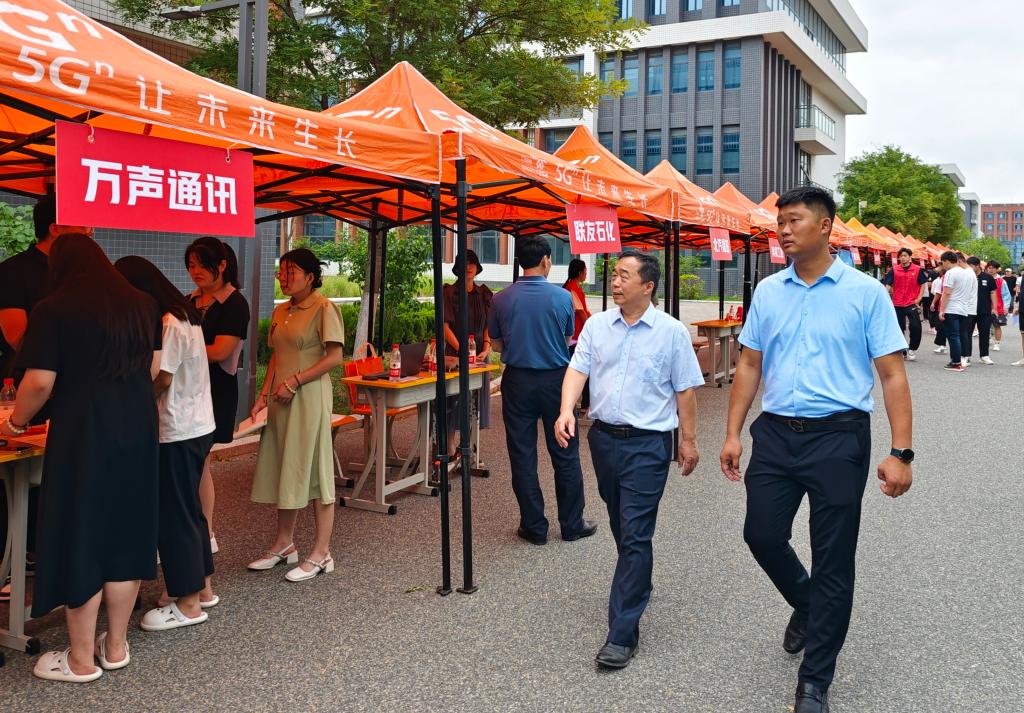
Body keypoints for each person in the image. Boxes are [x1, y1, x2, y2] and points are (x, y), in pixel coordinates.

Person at [719, 187, 913, 713]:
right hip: (776, 433)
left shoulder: (864, 293)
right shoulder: (768, 292)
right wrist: (733, 432)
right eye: (779, 222)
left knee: (833, 559)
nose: (783, 230)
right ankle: (808, 604)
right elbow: (750, 364)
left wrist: (901, 452)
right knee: (761, 534)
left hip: (839, 437)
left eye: (794, 220)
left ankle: (814, 682)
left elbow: (892, 375)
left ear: (825, 226)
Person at [0, 236, 162, 682]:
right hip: (138, 431)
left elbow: (39, 382)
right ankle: (116, 646)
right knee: (125, 534)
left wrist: (15, 424)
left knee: (83, 533)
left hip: (84, 435)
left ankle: (80, 660)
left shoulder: (54, 308)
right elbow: (152, 369)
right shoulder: (143, 304)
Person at [554, 251, 702, 669]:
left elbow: (686, 390)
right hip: (604, 441)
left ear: (648, 286)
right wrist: (566, 409)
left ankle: (621, 634)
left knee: (635, 532)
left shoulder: (671, 332)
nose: (615, 282)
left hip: (649, 445)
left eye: (624, 275)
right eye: (614, 275)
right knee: (623, 525)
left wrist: (688, 441)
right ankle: (638, 582)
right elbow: (577, 370)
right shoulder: (598, 326)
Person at [115, 257, 218, 630]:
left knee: (175, 514)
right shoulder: (186, 316)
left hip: (178, 427)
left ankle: (187, 604)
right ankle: (201, 589)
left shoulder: (169, 322)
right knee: (189, 510)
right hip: (197, 424)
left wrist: (131, 403)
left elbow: (162, 378)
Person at [488, 235, 596, 546]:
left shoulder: (500, 298)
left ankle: (534, 526)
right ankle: (572, 524)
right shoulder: (562, 297)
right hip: (556, 382)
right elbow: (566, 339)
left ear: (518, 261)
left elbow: (495, 344)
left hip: (517, 381)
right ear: (546, 260)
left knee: (522, 454)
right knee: (565, 451)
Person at [248, 248, 345, 581]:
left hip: (309, 398)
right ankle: (284, 544)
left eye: (291, 272)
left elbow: (334, 358)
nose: (284, 278)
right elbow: (277, 354)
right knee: (284, 465)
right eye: (282, 272)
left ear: (310, 276)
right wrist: (263, 395)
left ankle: (322, 553)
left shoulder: (324, 308)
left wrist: (295, 382)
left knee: (316, 471)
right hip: (281, 398)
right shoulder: (281, 310)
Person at [186, 237, 250, 558]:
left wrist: (181, 348)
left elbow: (221, 351)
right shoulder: (189, 300)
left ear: (222, 266)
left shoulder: (235, 303)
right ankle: (198, 532)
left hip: (216, 392)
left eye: (202, 265)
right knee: (194, 463)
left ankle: (206, 532)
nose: (195, 271)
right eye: (191, 265)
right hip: (187, 391)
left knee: (199, 462)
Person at [442, 249, 494, 452]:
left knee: (475, 402)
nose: (469, 267)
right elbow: (444, 327)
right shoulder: (449, 292)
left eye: (472, 263)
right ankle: (449, 445)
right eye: (464, 263)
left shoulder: (484, 294)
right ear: (457, 268)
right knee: (453, 399)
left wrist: (486, 347)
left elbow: (489, 323)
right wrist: (462, 350)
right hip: (455, 354)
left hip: (479, 355)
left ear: (478, 267)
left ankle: (471, 447)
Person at [882, 247, 927, 360]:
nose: (903, 258)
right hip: (897, 303)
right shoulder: (894, 270)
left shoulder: (917, 269)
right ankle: (902, 350)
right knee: (898, 327)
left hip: (911, 302)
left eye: (905, 256)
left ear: (910, 257)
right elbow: (888, 285)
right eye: (901, 256)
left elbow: (922, 284)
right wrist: (884, 297)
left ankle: (912, 348)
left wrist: (919, 298)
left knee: (915, 326)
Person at [562, 258, 592, 411]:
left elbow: (584, 311)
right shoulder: (572, 289)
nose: (586, 273)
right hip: (576, 336)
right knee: (583, 369)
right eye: (585, 270)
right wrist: (591, 327)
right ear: (580, 272)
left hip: (574, 335)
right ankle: (585, 403)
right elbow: (581, 312)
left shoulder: (570, 288)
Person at [937, 251, 974, 372]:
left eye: (943, 262)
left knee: (953, 336)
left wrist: (942, 310)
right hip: (964, 308)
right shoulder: (965, 273)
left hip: (952, 308)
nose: (943, 265)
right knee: (958, 335)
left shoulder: (950, 273)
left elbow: (947, 292)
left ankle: (956, 362)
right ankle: (957, 360)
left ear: (947, 261)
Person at [988, 261, 1009, 351]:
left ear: (997, 269)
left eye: (993, 268)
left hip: (998, 307)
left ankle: (997, 343)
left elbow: (1006, 295)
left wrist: (1006, 307)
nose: (991, 270)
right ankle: (989, 339)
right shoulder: (984, 278)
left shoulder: (1001, 281)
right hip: (985, 306)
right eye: (989, 268)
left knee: (997, 325)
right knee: (984, 325)